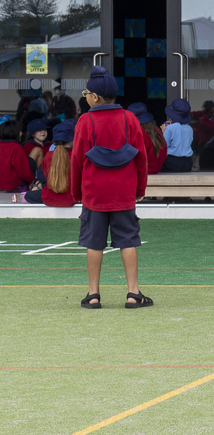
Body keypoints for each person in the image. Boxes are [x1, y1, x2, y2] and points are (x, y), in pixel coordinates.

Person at [71, 67, 151, 309]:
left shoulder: (85, 121)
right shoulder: (130, 119)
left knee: (94, 243)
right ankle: (133, 294)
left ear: (94, 97)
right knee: (128, 240)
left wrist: (77, 193)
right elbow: (142, 158)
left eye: (86, 92)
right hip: (123, 192)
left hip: (94, 194)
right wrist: (140, 189)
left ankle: (93, 295)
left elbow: (76, 160)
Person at [40, 117, 76, 209]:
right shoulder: (79, 156)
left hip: (49, 198)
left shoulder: (48, 155)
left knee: (30, 195)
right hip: (74, 199)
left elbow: (44, 176)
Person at [130, 103, 166, 175]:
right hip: (155, 170)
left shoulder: (140, 133)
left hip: (142, 172)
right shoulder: (157, 130)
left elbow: (138, 157)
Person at [162, 98, 195, 173]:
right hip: (188, 162)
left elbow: (164, 146)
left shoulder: (170, 128)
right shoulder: (189, 128)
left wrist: (164, 132)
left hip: (172, 161)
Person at [0, 119, 30, 195]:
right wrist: (33, 180)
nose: (22, 133)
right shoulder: (16, 147)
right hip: (12, 185)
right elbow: (23, 170)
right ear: (14, 132)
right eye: (20, 131)